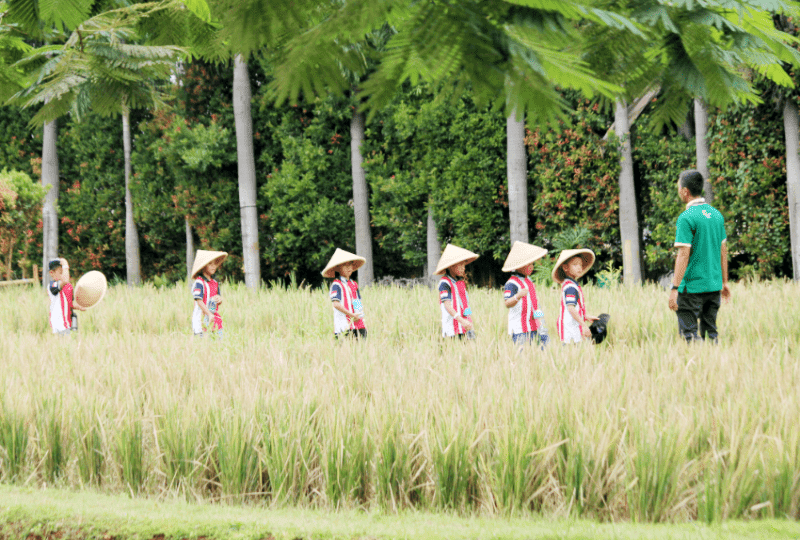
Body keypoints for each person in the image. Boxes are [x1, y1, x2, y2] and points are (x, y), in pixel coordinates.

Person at [668, 169, 730, 342]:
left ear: (685, 191)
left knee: (690, 337)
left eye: (679, 187)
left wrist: (675, 288)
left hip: (691, 288)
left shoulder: (686, 217)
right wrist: (724, 282)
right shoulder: (716, 215)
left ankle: (696, 367)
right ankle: (715, 365)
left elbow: (683, 254)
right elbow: (723, 251)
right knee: (711, 335)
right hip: (714, 286)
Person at [502, 241, 549, 347]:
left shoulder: (529, 281)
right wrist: (518, 296)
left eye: (532, 263)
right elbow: (507, 303)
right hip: (519, 328)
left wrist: (542, 321)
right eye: (529, 264)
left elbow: (535, 304)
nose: (532, 266)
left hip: (535, 325)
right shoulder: (511, 283)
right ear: (519, 265)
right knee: (522, 354)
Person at [552, 249, 600, 344]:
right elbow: (571, 308)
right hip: (570, 330)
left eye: (581, 265)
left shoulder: (572, 284)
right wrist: (584, 325)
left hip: (572, 328)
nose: (579, 268)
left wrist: (586, 316)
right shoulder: (570, 287)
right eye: (575, 265)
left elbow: (574, 308)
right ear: (565, 268)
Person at [434, 244, 479, 339]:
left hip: (465, 325)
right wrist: (461, 320)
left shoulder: (461, 283)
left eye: (464, 264)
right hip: (452, 328)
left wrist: (468, 319)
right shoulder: (444, 283)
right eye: (461, 264)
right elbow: (447, 305)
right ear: (451, 266)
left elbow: (465, 303)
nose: (464, 267)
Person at [322, 248, 368, 339]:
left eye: (350, 264)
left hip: (358, 325)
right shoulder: (336, 284)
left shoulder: (354, 284)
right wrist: (351, 315)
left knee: (361, 347)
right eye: (344, 265)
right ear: (338, 268)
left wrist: (359, 315)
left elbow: (357, 301)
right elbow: (336, 304)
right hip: (343, 326)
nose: (348, 268)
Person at [190, 250, 227, 337]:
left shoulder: (215, 282)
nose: (213, 266)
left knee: (217, 342)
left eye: (215, 264)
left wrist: (219, 299)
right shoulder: (199, 282)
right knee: (202, 342)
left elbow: (218, 299)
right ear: (203, 266)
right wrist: (208, 314)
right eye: (210, 264)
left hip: (214, 318)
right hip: (201, 319)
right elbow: (199, 300)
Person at [47, 258, 85, 335]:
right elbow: (65, 280)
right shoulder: (52, 285)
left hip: (68, 322)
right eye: (61, 272)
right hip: (59, 322)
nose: (64, 275)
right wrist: (65, 265)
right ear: (51, 273)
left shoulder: (68, 287)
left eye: (64, 272)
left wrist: (80, 307)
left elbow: (69, 303)